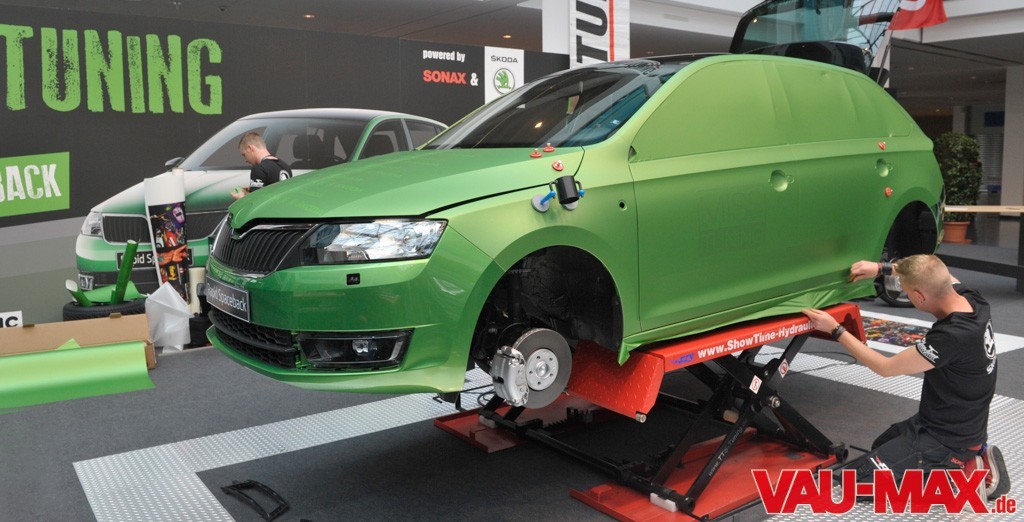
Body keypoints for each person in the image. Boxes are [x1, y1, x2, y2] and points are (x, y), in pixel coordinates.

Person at [802, 254, 1009, 501]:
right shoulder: (972, 298)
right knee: (881, 444)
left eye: (907, 291)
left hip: (949, 438)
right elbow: (935, 271)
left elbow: (885, 367)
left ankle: (965, 471)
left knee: (854, 483)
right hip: (944, 422)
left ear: (919, 296)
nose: (907, 295)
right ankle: (962, 459)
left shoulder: (951, 337)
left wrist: (835, 330)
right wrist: (880, 268)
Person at [231, 132, 292, 200]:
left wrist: (241, 198)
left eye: (244, 155)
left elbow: (255, 202)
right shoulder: (285, 167)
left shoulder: (259, 169)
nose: (245, 160)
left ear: (249, 148)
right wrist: (252, 190)